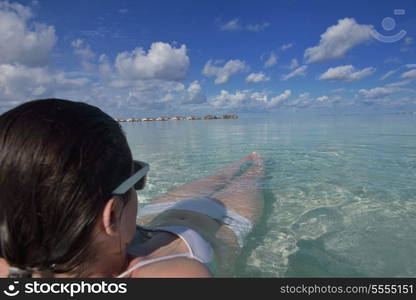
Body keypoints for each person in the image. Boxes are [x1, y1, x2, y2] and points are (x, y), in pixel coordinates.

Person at [0, 98, 265, 278]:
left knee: (221, 173)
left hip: (161, 212)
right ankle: (254, 162)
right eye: (136, 178)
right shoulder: (181, 276)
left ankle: (242, 161)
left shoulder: (15, 262)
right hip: (222, 220)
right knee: (252, 175)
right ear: (112, 214)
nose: (137, 185)